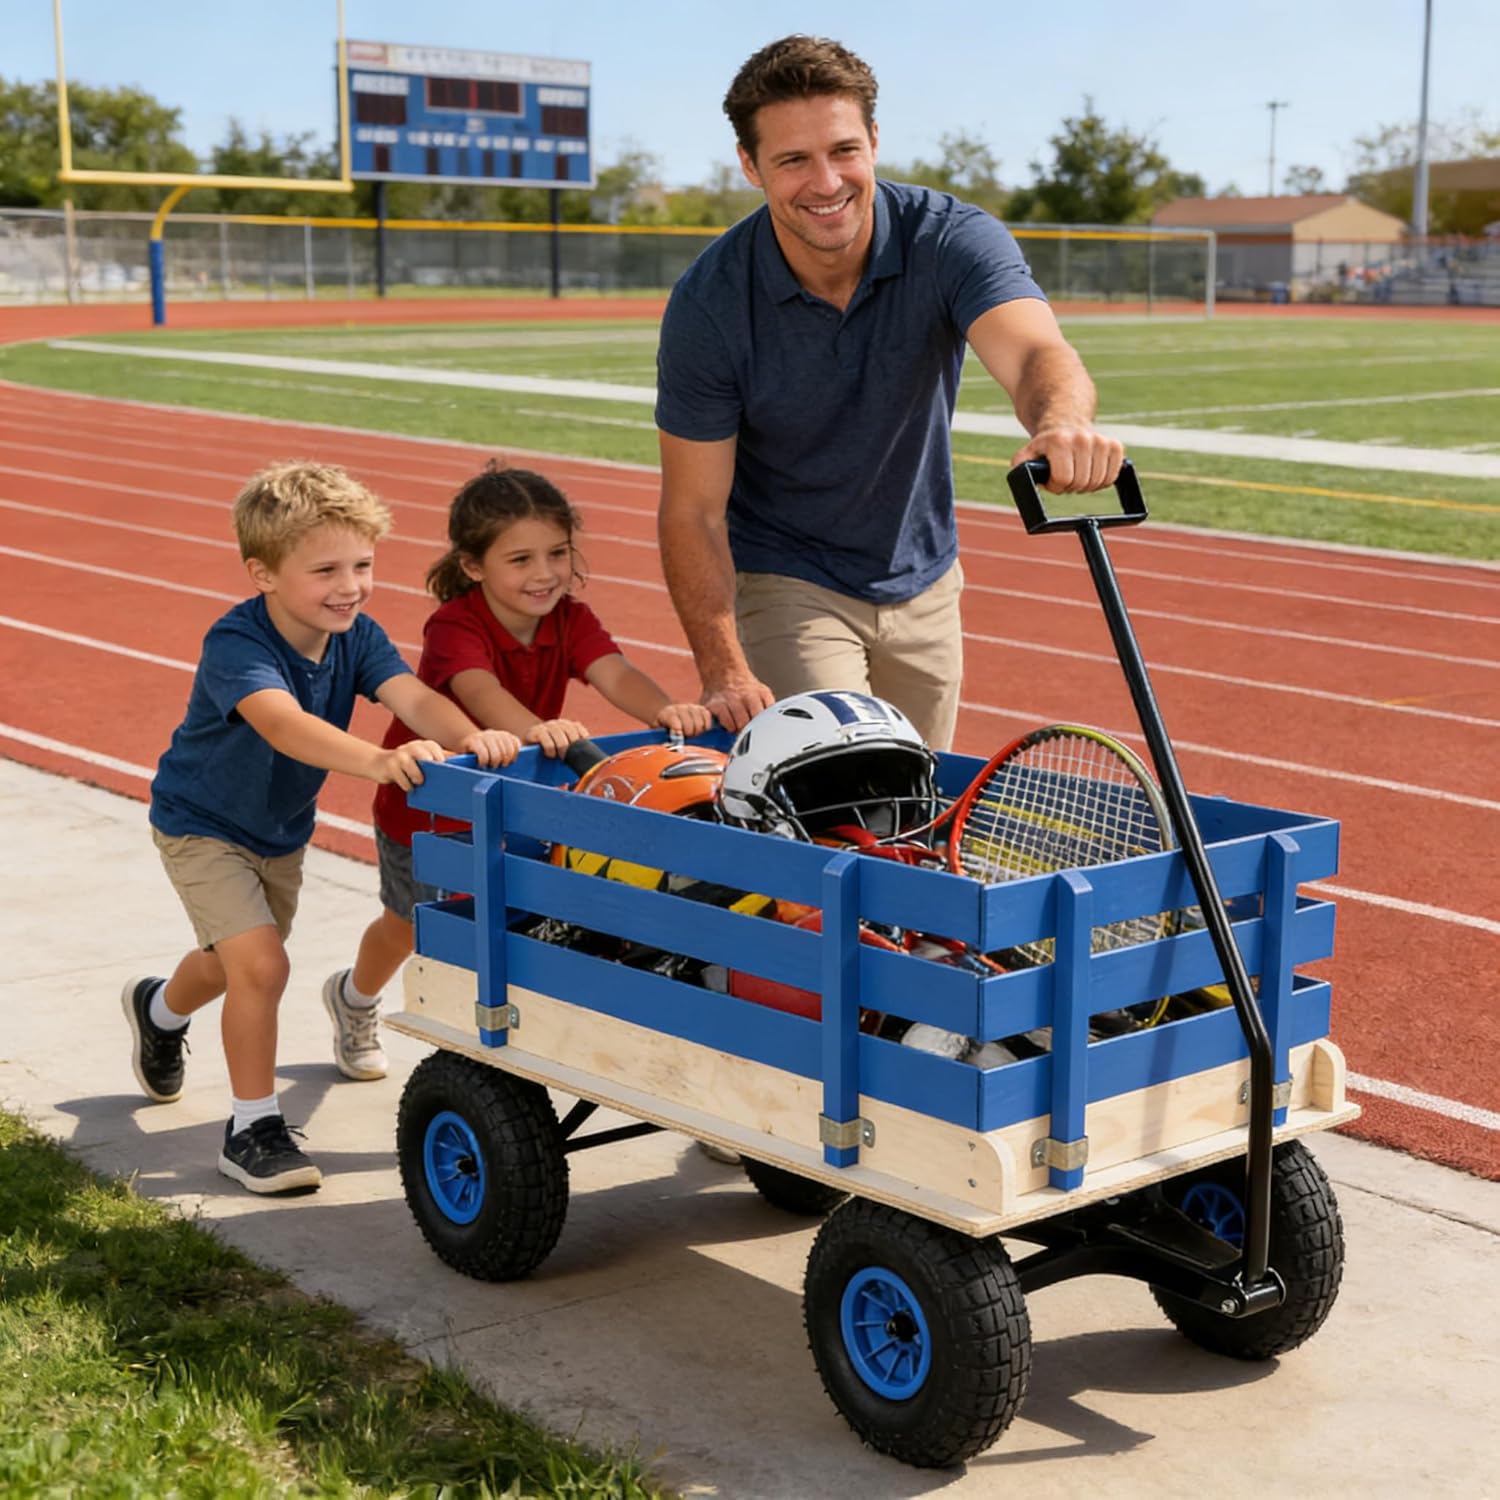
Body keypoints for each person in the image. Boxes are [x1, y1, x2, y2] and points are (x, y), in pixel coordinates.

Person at [655, 33, 1126, 751]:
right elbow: (693, 510)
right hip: (790, 576)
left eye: (844, 150)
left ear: (874, 139)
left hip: (926, 574)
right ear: (750, 165)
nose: (826, 181)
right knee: (848, 789)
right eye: (792, 160)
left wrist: (1062, 423)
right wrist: (723, 667)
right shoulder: (710, 303)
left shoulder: (950, 240)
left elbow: (1035, 351)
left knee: (918, 812)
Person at [122, 461, 518, 1195]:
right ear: (262, 574)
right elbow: (283, 725)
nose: (350, 585)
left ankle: (156, 1009)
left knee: (228, 964)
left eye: (363, 565)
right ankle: (253, 1128)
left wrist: (470, 739)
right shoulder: (236, 644)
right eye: (325, 569)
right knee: (263, 968)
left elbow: (415, 696)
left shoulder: (357, 636)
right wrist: (378, 758)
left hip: (278, 832)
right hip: (201, 823)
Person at [332, 462, 714, 1032]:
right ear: (471, 565)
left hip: (515, 805)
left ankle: (513, 1017)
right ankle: (356, 999)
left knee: (517, 913)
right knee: (411, 923)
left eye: (557, 554)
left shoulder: (571, 619)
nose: (545, 574)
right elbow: (478, 691)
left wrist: (663, 710)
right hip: (427, 812)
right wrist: (537, 727)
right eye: (520, 560)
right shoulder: (455, 625)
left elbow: (615, 673)